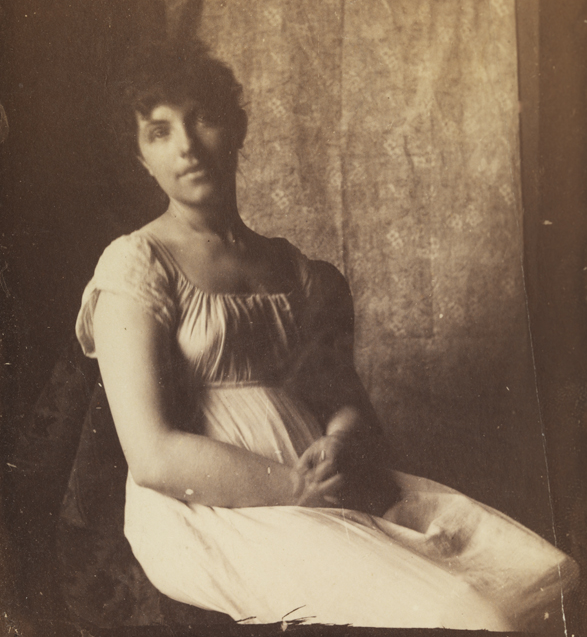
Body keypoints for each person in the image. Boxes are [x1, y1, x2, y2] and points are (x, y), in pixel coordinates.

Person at [76, 42, 577, 630]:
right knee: (469, 611)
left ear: (235, 129)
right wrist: (291, 486)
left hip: (328, 486)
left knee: (535, 580)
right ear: (143, 158)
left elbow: (342, 399)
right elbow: (153, 453)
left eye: (203, 118)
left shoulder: (297, 274)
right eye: (159, 132)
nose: (185, 145)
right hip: (214, 511)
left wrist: (339, 440)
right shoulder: (137, 265)